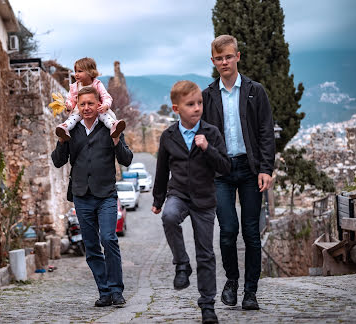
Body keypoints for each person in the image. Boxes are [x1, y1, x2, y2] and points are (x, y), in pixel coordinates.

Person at [202, 34, 276, 310]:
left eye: (228, 56)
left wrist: (266, 169)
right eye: (219, 58)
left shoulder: (256, 91)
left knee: (251, 232)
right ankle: (231, 281)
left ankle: (251, 292)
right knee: (227, 230)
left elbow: (266, 132)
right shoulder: (208, 95)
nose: (224, 61)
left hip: (250, 169)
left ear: (237, 57)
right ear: (213, 61)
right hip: (220, 171)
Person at [152, 81, 230, 324]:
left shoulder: (211, 133)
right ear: (177, 108)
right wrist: (158, 199)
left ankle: (207, 306)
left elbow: (225, 167)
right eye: (190, 104)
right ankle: (182, 264)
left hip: (205, 200)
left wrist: (207, 148)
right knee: (169, 216)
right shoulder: (168, 136)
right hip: (178, 194)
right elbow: (162, 170)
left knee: (206, 254)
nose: (197, 108)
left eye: (199, 103)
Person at [51, 86, 133, 307]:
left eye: (90, 103)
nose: (86, 108)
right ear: (77, 105)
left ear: (99, 105)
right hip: (81, 195)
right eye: (82, 104)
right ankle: (104, 291)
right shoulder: (71, 129)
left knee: (109, 238)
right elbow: (58, 161)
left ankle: (116, 290)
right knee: (91, 246)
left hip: (106, 194)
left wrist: (116, 141)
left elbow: (126, 160)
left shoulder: (111, 127)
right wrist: (61, 141)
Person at [55, 57, 126, 141]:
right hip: (79, 110)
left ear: (90, 72)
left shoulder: (97, 84)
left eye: (80, 71)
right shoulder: (75, 86)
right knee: (72, 119)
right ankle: (64, 129)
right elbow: (70, 99)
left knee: (105, 116)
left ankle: (114, 127)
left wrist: (105, 105)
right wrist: (69, 106)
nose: (76, 74)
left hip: (97, 108)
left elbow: (106, 96)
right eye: (76, 71)